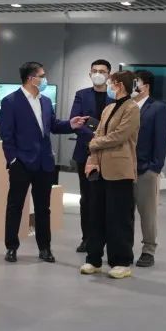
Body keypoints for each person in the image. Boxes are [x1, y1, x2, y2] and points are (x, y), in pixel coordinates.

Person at [0, 62, 87, 263]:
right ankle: (11, 247)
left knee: (43, 208)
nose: (45, 79)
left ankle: (45, 248)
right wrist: (13, 160)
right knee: (15, 206)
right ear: (31, 79)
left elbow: (53, 125)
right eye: (42, 75)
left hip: (44, 163)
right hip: (21, 163)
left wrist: (71, 124)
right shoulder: (10, 101)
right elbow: (7, 135)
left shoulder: (46, 101)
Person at [81, 70, 141, 280]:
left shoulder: (132, 108)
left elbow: (119, 136)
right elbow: (99, 132)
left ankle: (121, 261)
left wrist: (94, 143)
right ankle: (93, 259)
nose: (108, 85)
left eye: (111, 82)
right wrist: (93, 157)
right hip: (100, 169)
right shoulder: (108, 108)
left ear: (120, 84)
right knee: (96, 215)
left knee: (119, 218)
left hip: (120, 171)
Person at [69, 58, 114, 253]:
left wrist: (104, 139)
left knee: (107, 199)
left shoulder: (116, 97)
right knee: (87, 198)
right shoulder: (81, 95)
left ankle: (106, 239)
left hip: (110, 154)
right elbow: (76, 122)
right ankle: (87, 238)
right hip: (85, 153)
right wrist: (95, 138)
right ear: (89, 74)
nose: (98, 74)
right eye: (95, 71)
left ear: (109, 75)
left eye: (102, 71)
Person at [132, 70, 166, 268]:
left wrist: (155, 167)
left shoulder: (157, 108)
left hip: (146, 169)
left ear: (145, 86)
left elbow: (161, 140)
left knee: (147, 213)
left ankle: (148, 250)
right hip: (123, 168)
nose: (132, 86)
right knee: (123, 212)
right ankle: (124, 248)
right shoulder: (126, 106)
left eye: (135, 82)